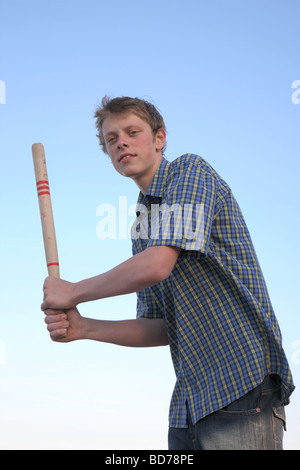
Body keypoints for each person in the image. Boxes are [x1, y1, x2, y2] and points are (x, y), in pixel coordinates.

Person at [41, 96, 294, 450]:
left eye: (132, 132)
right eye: (111, 139)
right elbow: (158, 326)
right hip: (190, 405)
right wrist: (85, 328)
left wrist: (74, 291)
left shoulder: (189, 171)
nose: (121, 143)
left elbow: (158, 265)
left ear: (159, 138)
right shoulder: (141, 228)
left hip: (242, 386)